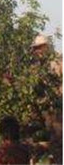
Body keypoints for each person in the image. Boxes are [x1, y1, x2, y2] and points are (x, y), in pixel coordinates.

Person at [27, 35, 63, 164]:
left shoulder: (57, 61)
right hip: (41, 107)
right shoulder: (35, 65)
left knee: (57, 137)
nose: (37, 51)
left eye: (39, 48)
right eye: (36, 49)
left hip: (55, 107)